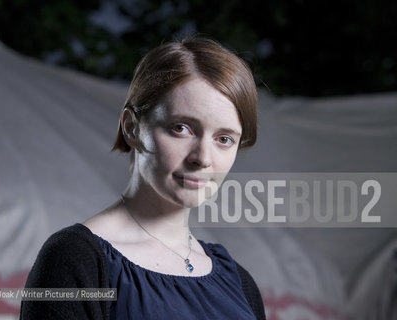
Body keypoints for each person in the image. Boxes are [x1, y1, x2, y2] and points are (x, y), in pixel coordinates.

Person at [20, 36, 266, 320]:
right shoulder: (74, 261)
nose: (203, 158)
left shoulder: (240, 283)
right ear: (132, 128)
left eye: (224, 139)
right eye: (181, 128)